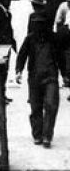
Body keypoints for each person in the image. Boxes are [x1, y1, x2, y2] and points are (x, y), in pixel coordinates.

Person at [16, 13, 61, 148]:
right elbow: (22, 55)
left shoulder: (53, 39)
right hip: (34, 77)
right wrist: (18, 71)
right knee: (36, 107)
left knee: (51, 105)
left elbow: (61, 57)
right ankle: (37, 134)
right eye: (37, 24)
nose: (40, 28)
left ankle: (47, 136)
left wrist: (65, 74)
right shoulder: (29, 39)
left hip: (51, 77)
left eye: (42, 24)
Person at [53, 0, 70, 88]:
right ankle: (66, 76)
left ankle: (66, 76)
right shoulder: (63, 6)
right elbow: (58, 21)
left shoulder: (63, 6)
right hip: (66, 33)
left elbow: (58, 21)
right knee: (64, 55)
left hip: (65, 32)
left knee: (65, 55)